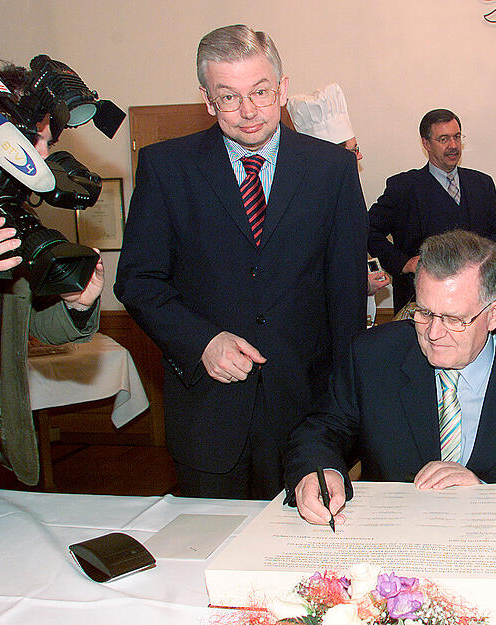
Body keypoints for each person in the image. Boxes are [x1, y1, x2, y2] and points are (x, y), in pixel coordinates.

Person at [114, 25, 367, 500]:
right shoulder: (167, 168)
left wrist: (344, 410)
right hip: (208, 413)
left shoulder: (331, 171)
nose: (248, 112)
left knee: (304, 561)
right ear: (207, 101)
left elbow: (346, 297)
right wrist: (202, 340)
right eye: (228, 97)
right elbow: (138, 280)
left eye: (260, 92)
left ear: (282, 89)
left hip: (306, 418)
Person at [285, 230, 496, 525]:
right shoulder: (371, 356)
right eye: (425, 312)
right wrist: (319, 471)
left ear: (494, 315)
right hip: (393, 543)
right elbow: (321, 430)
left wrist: (485, 489)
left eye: (454, 319)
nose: (434, 333)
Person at [0, 63, 103, 486]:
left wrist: (77, 304)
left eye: (48, 140)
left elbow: (41, 325)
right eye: (32, 140)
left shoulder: (13, 222)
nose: (43, 155)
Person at [367, 109, 496, 311]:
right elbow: (368, 230)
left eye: (457, 137)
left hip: (476, 302)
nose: (453, 145)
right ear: (426, 143)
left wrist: (481, 265)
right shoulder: (403, 188)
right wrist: (403, 263)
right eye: (444, 139)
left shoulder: (482, 184)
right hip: (420, 303)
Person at [287, 82, 391, 324]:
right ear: (334, 158)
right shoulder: (306, 205)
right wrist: (361, 285)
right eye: (354, 150)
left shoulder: (340, 193)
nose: (360, 156)